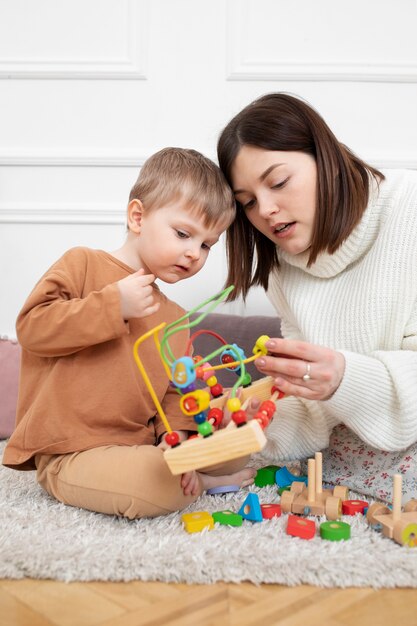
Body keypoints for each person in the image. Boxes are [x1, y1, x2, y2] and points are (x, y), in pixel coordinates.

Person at [2, 147, 255, 519]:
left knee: (237, 443)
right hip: (72, 453)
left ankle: (190, 469)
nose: (193, 254)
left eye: (205, 245)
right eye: (183, 234)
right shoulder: (83, 264)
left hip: (138, 444)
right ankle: (200, 483)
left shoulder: (175, 317)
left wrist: (180, 442)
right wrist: (112, 306)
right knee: (155, 480)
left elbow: (175, 395)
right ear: (138, 217)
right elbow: (32, 328)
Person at [217, 92, 417, 503]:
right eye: (248, 202)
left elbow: (337, 384)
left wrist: (346, 377)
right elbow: (314, 406)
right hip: (347, 467)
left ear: (324, 156)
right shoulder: (282, 270)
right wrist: (258, 421)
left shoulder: (408, 208)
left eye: (278, 182)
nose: (266, 210)